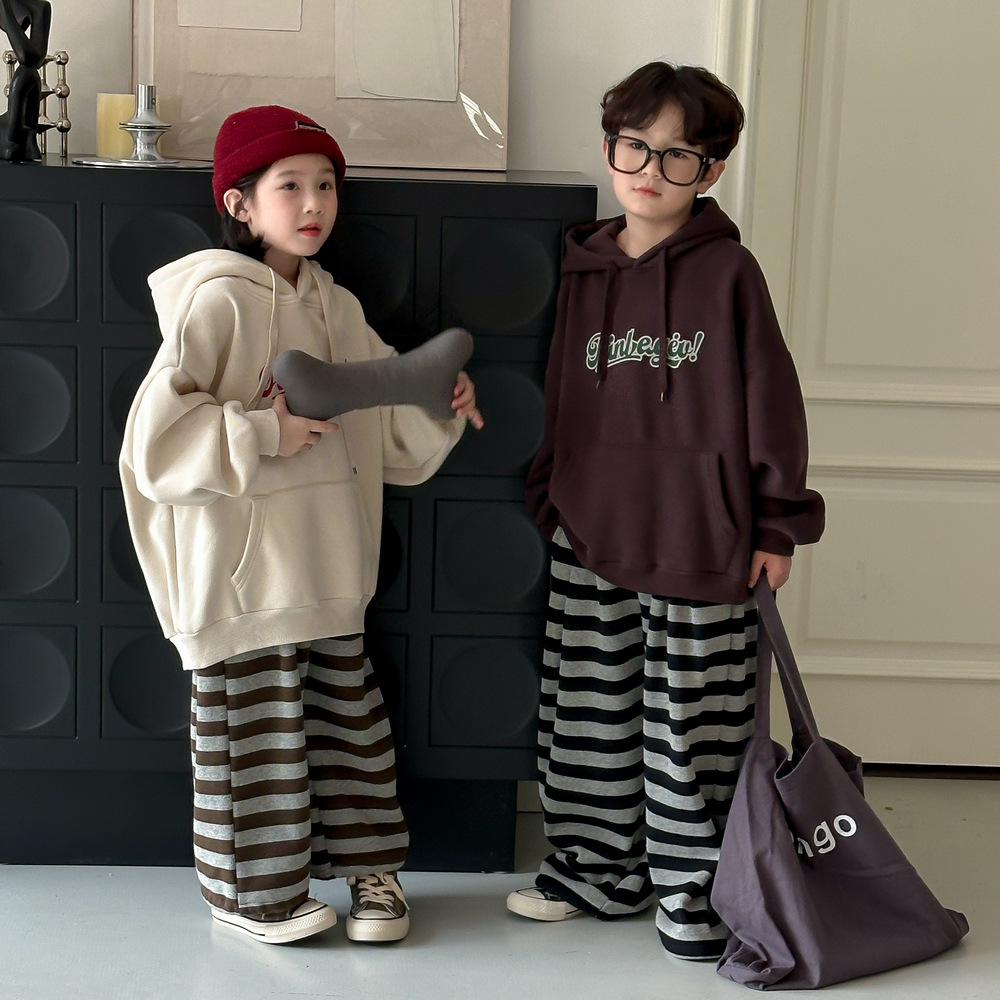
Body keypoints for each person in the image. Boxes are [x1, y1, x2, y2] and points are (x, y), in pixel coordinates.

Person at [120, 105, 482, 945]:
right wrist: (261, 434)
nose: (315, 202)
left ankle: (372, 874)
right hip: (241, 584)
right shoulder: (216, 301)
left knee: (350, 735)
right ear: (241, 203)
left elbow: (387, 439)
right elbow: (153, 446)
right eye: (290, 186)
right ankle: (250, 891)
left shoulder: (337, 308)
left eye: (326, 185)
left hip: (329, 574)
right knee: (253, 745)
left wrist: (436, 403)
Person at [506, 62, 824, 960]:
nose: (650, 169)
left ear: (710, 169)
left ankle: (697, 887)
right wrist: (552, 492)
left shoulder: (729, 273)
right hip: (588, 531)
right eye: (634, 146)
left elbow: (773, 402)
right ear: (610, 146)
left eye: (678, 155)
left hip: (701, 537)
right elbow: (557, 391)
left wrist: (777, 523)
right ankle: (597, 869)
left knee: (693, 725)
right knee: (589, 713)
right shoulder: (580, 266)